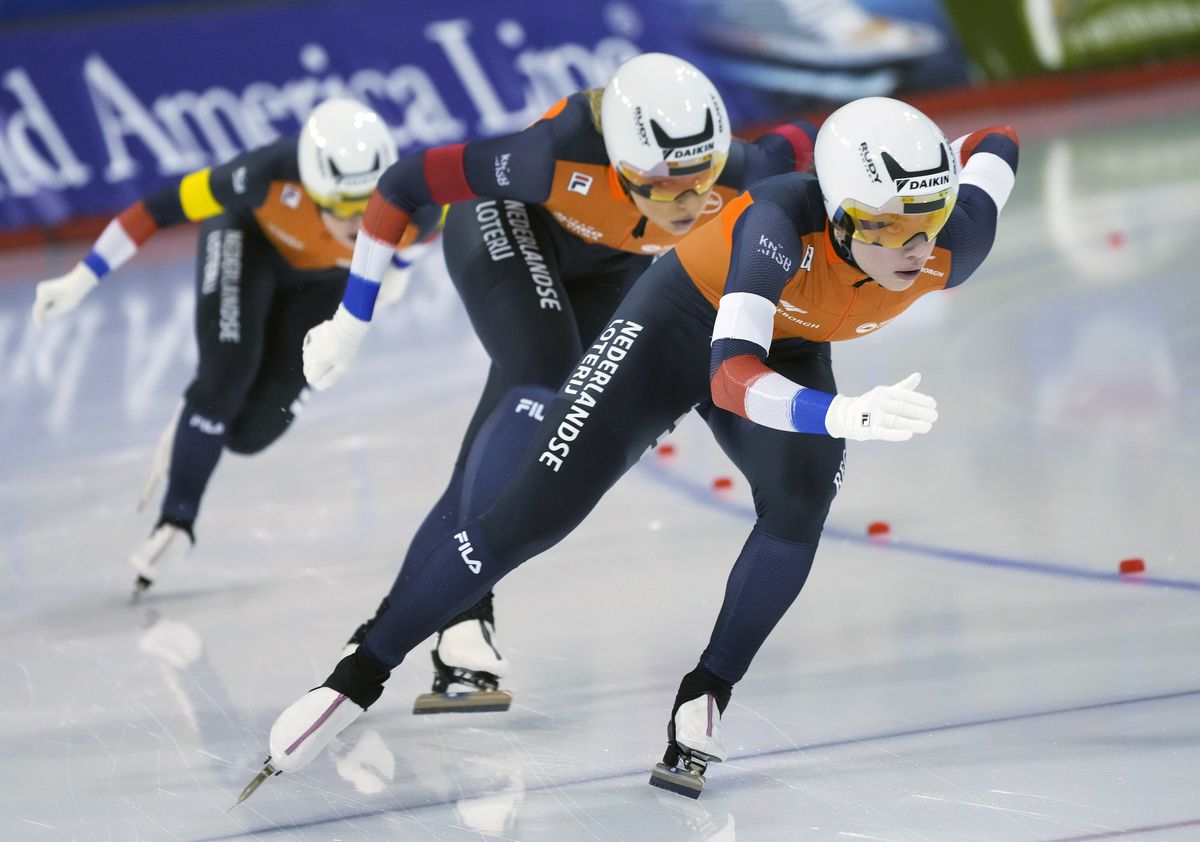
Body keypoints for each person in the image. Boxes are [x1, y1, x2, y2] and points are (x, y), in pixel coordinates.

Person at [247, 96, 1018, 802]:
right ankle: (357, 675)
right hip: (682, 328)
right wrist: (838, 412)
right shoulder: (778, 225)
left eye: (929, 216)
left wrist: (929, 161)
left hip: (793, 346)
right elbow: (730, 376)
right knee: (529, 516)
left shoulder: (961, 238)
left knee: (800, 503)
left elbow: (999, 137)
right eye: (886, 224)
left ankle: (706, 693)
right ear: (843, 218)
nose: (915, 245)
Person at [307, 53, 821, 714]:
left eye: (706, 179)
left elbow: (805, 141)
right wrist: (351, 319)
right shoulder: (549, 156)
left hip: (611, 263)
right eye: (667, 186)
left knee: (521, 424)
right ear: (623, 164)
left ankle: (404, 620)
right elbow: (405, 182)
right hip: (509, 224)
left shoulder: (742, 167)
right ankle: (465, 612)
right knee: (540, 384)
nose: (692, 203)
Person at [30, 97, 438, 595]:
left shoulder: (416, 204)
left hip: (322, 281)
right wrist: (81, 277)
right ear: (311, 190)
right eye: (342, 208)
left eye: (368, 206)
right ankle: (176, 521)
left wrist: (396, 274)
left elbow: (417, 242)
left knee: (250, 435)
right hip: (248, 243)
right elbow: (155, 210)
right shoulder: (261, 176)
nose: (359, 224)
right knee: (227, 374)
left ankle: (200, 412)